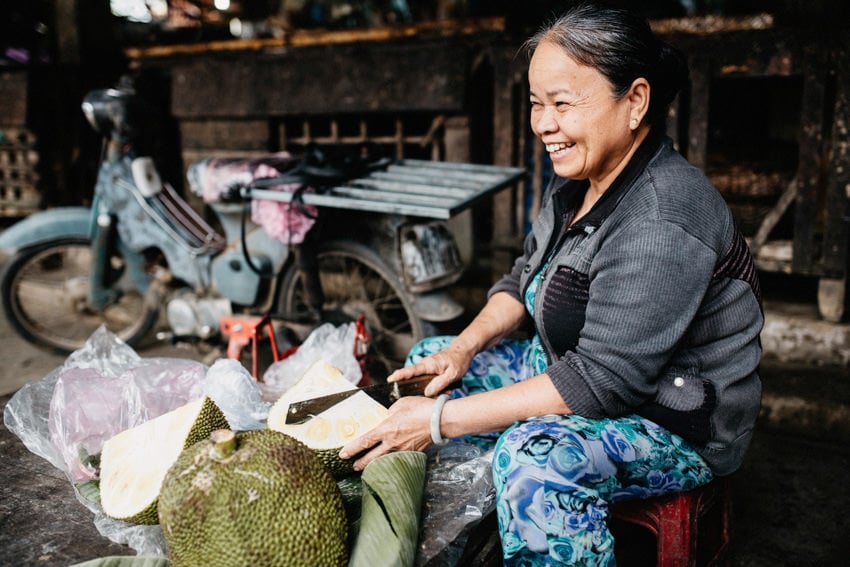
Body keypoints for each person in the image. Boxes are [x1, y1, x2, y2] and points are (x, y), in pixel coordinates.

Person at [339, 1, 763, 564]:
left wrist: (439, 425)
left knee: (532, 458)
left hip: (672, 418)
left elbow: (604, 384)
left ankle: (540, 515)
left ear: (634, 100)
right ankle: (498, 516)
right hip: (575, 367)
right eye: (538, 104)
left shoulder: (663, 216)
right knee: (432, 364)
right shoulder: (576, 183)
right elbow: (523, 281)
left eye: (563, 104)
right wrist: (462, 350)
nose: (543, 124)